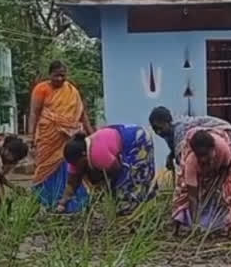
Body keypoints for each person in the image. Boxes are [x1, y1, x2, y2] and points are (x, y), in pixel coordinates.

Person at [30, 60, 93, 210]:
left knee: (70, 165)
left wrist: (92, 134)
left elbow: (82, 115)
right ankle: (45, 202)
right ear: (50, 74)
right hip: (48, 137)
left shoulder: (72, 91)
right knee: (44, 168)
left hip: (68, 138)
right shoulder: (41, 89)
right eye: (56, 76)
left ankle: (70, 202)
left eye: (62, 76)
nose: (60, 79)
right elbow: (34, 113)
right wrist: (31, 135)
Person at [54, 125, 156, 216]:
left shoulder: (98, 155)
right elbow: (72, 183)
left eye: (76, 163)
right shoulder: (75, 161)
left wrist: (110, 194)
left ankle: (143, 207)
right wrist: (62, 203)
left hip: (136, 140)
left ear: (84, 155)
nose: (75, 166)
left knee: (131, 181)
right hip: (118, 147)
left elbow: (118, 171)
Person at [172, 128, 231, 239]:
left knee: (226, 195)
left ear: (213, 149)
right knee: (183, 195)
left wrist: (217, 187)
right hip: (199, 175)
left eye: (206, 155)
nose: (203, 159)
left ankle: (230, 228)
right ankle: (178, 227)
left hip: (219, 171)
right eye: (200, 156)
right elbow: (192, 196)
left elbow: (225, 169)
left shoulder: (224, 150)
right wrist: (195, 224)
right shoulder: (191, 161)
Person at [148, 107, 231, 174]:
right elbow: (177, 152)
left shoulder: (180, 130)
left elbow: (182, 160)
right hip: (217, 143)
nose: (158, 132)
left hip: (227, 136)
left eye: (160, 128)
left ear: (168, 122)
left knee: (226, 175)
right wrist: (170, 157)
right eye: (155, 129)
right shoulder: (169, 135)